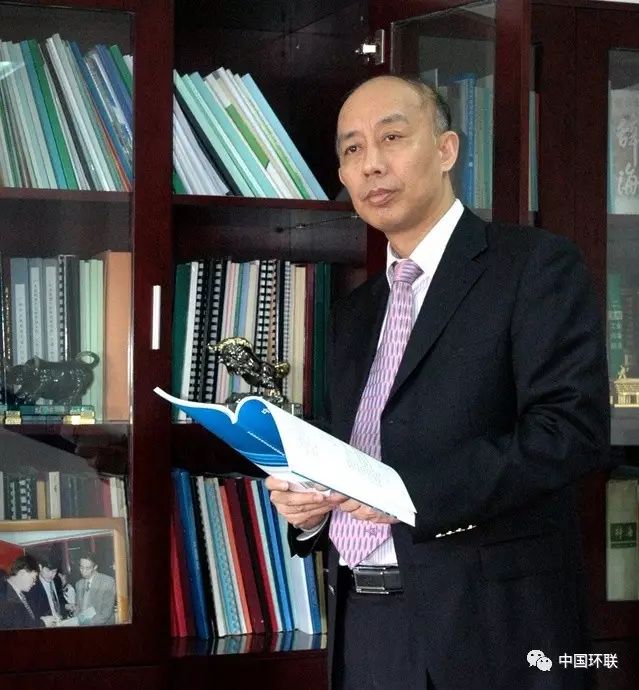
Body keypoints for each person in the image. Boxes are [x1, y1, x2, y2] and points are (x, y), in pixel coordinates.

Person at [266, 75, 610, 690]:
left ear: (447, 149)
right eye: (352, 149)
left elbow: (570, 433)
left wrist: (407, 494)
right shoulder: (355, 311)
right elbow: (351, 451)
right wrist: (309, 505)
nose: (372, 164)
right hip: (362, 625)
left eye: (392, 137)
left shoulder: (532, 265)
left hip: (488, 632)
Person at [0, 554, 46, 629]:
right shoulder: (3, 595)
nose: (34, 583)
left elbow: (28, 620)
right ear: (22, 573)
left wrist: (41, 620)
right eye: (33, 579)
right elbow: (17, 628)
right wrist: (43, 623)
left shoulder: (24, 594)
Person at [74, 551, 116, 626]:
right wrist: (76, 619)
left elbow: (106, 613)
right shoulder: (78, 584)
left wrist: (87, 624)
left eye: (87, 568)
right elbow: (78, 607)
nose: (83, 571)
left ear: (95, 567)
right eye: (81, 567)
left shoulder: (108, 582)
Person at [25, 549, 66, 621]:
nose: (51, 575)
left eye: (54, 571)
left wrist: (66, 605)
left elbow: (60, 600)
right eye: (48, 571)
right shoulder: (32, 586)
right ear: (40, 567)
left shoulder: (57, 580)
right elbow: (33, 614)